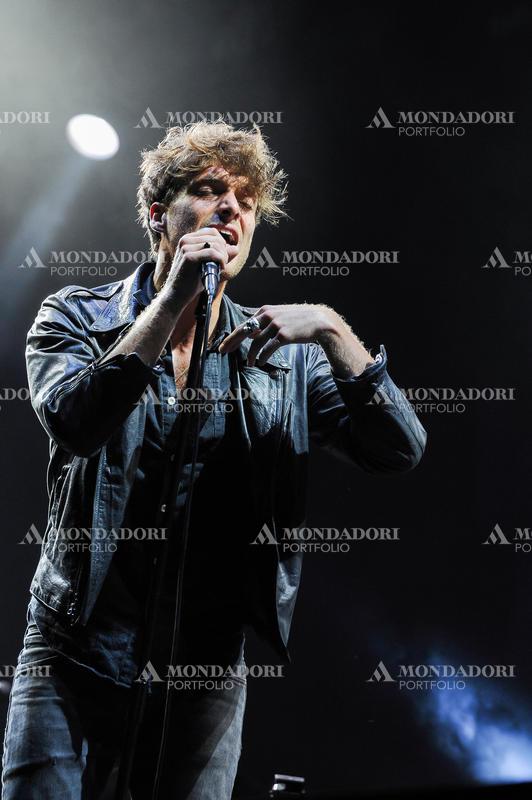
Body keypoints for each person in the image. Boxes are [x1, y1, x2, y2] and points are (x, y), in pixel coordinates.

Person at [1, 121, 427, 799]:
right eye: (207, 190)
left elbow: (399, 448)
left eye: (246, 201)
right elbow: (76, 422)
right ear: (157, 215)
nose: (232, 208)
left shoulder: (284, 360)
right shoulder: (76, 317)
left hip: (203, 672)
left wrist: (335, 332)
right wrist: (172, 301)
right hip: (74, 652)